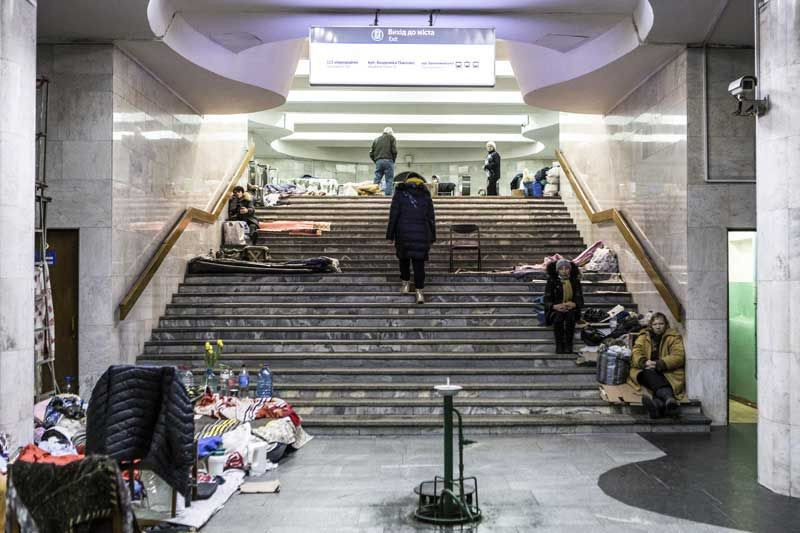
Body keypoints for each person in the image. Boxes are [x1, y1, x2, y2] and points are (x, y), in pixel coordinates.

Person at [386, 172, 436, 304]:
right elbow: (431, 217)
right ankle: (419, 292)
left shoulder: (400, 193)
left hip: (403, 232)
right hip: (421, 232)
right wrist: (432, 236)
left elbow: (394, 215)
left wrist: (390, 235)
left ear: (407, 181)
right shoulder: (425, 194)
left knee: (404, 259)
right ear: (420, 181)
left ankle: (405, 284)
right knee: (419, 263)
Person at [627, 313, 685, 419]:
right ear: (651, 325)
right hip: (646, 370)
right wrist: (644, 362)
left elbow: (678, 356)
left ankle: (658, 406)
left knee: (654, 378)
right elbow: (636, 351)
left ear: (666, 324)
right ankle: (669, 399)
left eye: (661, 324)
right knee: (649, 373)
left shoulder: (673, 337)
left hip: (666, 371)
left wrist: (659, 364)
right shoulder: (643, 336)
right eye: (655, 324)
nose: (658, 327)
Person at [543, 258, 583, 353]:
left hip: (571, 309)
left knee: (570, 317)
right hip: (556, 309)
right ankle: (559, 345)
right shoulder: (552, 281)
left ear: (570, 269)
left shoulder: (575, 281)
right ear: (557, 270)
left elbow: (580, 299)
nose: (564, 271)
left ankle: (569, 345)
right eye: (561, 269)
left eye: (566, 268)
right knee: (558, 318)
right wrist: (554, 306)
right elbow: (547, 299)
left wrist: (574, 304)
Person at [370, 127, 398, 196]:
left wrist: (377, 161)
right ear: (390, 133)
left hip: (379, 161)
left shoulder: (376, 140)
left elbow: (371, 153)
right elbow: (394, 151)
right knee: (389, 179)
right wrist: (393, 160)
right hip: (388, 160)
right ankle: (388, 196)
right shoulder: (392, 138)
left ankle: (373, 193)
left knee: (377, 178)